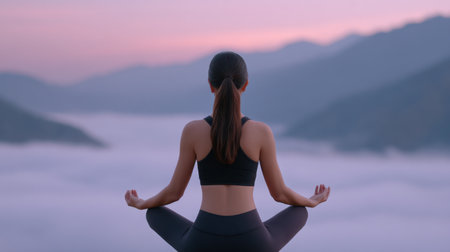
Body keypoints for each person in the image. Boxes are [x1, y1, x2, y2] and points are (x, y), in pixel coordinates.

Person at [125, 51, 330, 252]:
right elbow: (279, 194)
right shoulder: (261, 132)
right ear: (246, 85)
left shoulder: (193, 131)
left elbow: (174, 193)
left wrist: (142, 203)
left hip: (201, 242)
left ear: (210, 85)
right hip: (254, 242)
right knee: (300, 211)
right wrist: (311, 201)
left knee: (153, 213)